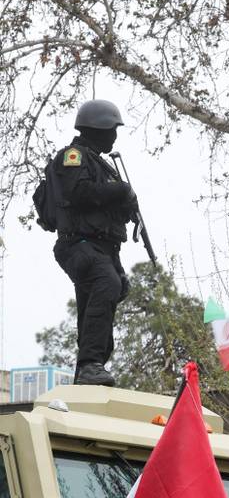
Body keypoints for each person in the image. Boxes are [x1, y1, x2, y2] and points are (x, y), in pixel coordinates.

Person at [50, 100, 137, 386]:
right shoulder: (73, 156)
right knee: (106, 284)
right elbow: (79, 192)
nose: (114, 136)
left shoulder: (104, 164)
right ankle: (90, 365)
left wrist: (127, 203)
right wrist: (118, 190)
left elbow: (110, 208)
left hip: (104, 247)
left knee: (113, 289)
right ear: (98, 128)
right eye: (112, 129)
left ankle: (89, 370)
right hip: (79, 244)